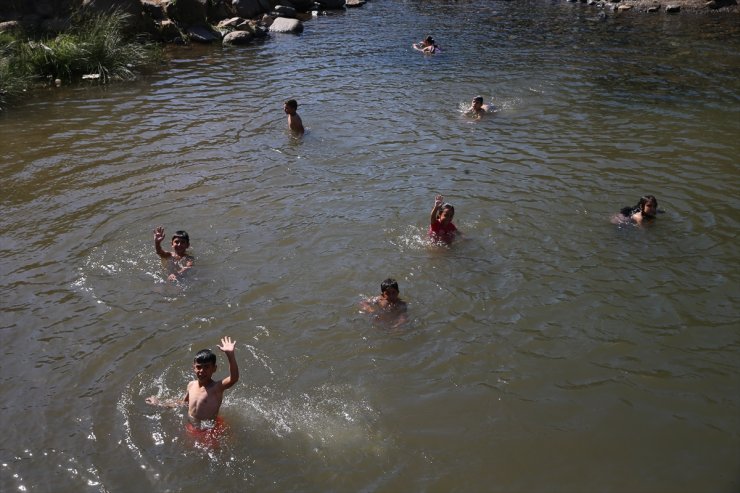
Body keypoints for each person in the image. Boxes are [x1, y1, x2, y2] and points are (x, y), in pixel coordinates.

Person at [146, 336, 239, 427]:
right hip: (193, 426)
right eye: (199, 367)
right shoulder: (191, 385)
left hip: (209, 429)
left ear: (214, 369)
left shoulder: (216, 388)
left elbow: (233, 378)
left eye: (206, 367)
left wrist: (230, 355)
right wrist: (159, 403)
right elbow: (183, 403)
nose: (202, 371)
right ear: (193, 368)